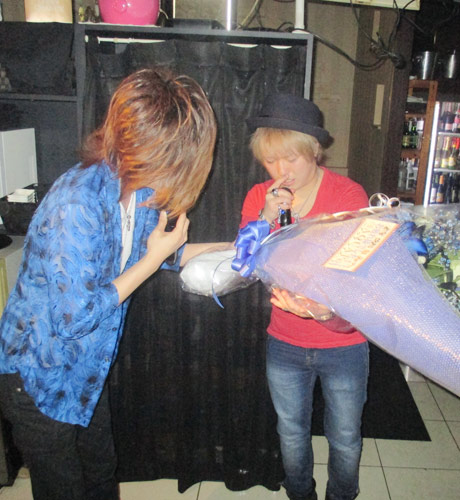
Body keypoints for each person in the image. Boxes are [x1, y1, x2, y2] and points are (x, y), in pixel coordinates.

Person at [0, 67, 231, 500]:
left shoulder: (137, 191)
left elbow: (168, 255)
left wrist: (237, 248)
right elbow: (75, 318)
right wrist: (154, 257)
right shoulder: (76, 203)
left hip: (86, 370)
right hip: (36, 376)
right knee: (64, 490)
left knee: (102, 476)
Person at [240, 93, 370, 500]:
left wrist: (323, 307)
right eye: (270, 161)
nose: (281, 171)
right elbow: (244, 266)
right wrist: (265, 217)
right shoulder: (259, 197)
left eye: (290, 158)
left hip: (343, 341)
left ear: (313, 149)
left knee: (345, 436)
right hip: (285, 339)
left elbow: (356, 270)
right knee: (291, 432)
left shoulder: (348, 195)